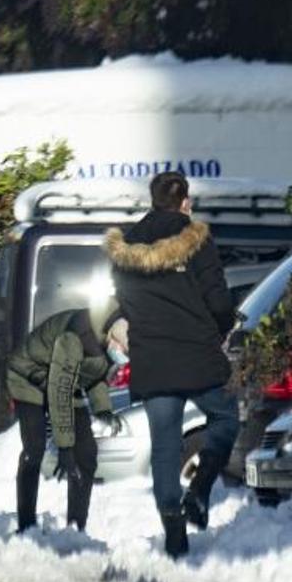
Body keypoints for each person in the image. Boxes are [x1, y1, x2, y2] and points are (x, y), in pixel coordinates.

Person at [104, 171, 238, 557]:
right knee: (226, 418)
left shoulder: (125, 248)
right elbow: (217, 298)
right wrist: (221, 327)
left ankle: (173, 529)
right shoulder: (196, 240)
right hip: (197, 354)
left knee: (164, 446)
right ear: (185, 202)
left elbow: (125, 304)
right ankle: (199, 489)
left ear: (152, 200)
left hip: (153, 360)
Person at [7, 306, 128, 533]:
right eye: (122, 350)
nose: (122, 357)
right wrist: (64, 448)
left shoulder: (109, 345)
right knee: (34, 449)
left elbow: (96, 375)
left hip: (62, 379)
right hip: (28, 376)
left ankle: (75, 528)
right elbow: (59, 393)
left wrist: (103, 409)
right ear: (112, 337)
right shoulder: (76, 337)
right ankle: (26, 524)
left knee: (87, 455)